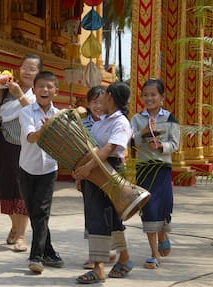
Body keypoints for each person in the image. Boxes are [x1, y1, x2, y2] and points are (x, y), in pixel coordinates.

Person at [73, 82, 133, 284]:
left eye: (104, 97)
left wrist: (88, 169)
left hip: (110, 170)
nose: (101, 101)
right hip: (94, 169)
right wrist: (84, 174)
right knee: (107, 218)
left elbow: (108, 149)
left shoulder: (121, 122)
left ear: (111, 98)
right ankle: (124, 258)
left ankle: (99, 268)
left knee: (99, 217)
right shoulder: (102, 121)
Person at [0, 54, 43, 252]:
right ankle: (15, 225)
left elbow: (36, 117)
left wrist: (20, 95)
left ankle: (21, 235)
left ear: (39, 74)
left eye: (32, 68)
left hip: (26, 146)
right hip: (4, 144)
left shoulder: (39, 93)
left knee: (22, 190)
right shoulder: (6, 89)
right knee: (6, 188)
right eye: (24, 67)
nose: (27, 71)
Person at [130, 78, 180, 269]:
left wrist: (161, 146)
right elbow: (129, 142)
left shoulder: (169, 118)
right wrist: (142, 133)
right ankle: (154, 253)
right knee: (149, 208)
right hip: (144, 169)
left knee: (164, 207)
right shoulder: (136, 118)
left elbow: (174, 144)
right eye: (145, 95)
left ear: (162, 98)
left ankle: (163, 234)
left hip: (162, 169)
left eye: (153, 95)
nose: (149, 98)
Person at [18, 71, 63, 274]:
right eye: (41, 86)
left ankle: (36, 257)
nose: (45, 90)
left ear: (56, 91)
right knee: (35, 213)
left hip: (48, 168)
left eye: (49, 86)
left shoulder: (60, 115)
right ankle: (49, 251)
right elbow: (31, 138)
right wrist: (46, 129)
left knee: (41, 211)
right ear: (34, 90)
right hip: (27, 167)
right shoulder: (26, 112)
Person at [78, 86, 117, 270]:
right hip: (87, 173)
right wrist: (78, 176)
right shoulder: (81, 124)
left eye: (101, 101)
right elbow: (77, 151)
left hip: (108, 171)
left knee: (108, 211)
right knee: (91, 212)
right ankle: (94, 254)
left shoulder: (111, 122)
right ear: (87, 104)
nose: (98, 105)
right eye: (94, 101)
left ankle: (107, 251)